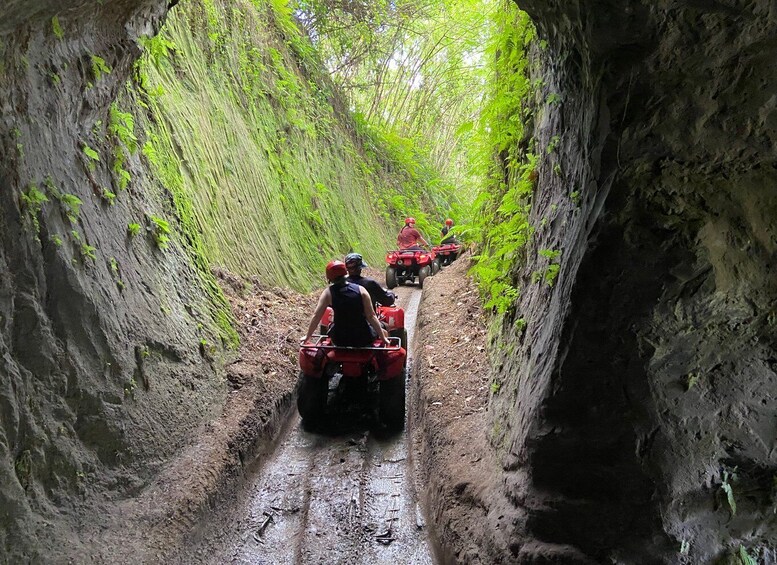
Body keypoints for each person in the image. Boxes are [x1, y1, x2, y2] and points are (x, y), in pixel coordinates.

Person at [304, 260, 389, 347]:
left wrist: (308, 336)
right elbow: (371, 316)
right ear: (345, 272)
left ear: (329, 277)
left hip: (339, 340)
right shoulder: (361, 290)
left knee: (330, 327)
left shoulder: (328, 293)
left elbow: (316, 316)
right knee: (384, 331)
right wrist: (383, 337)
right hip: (363, 338)